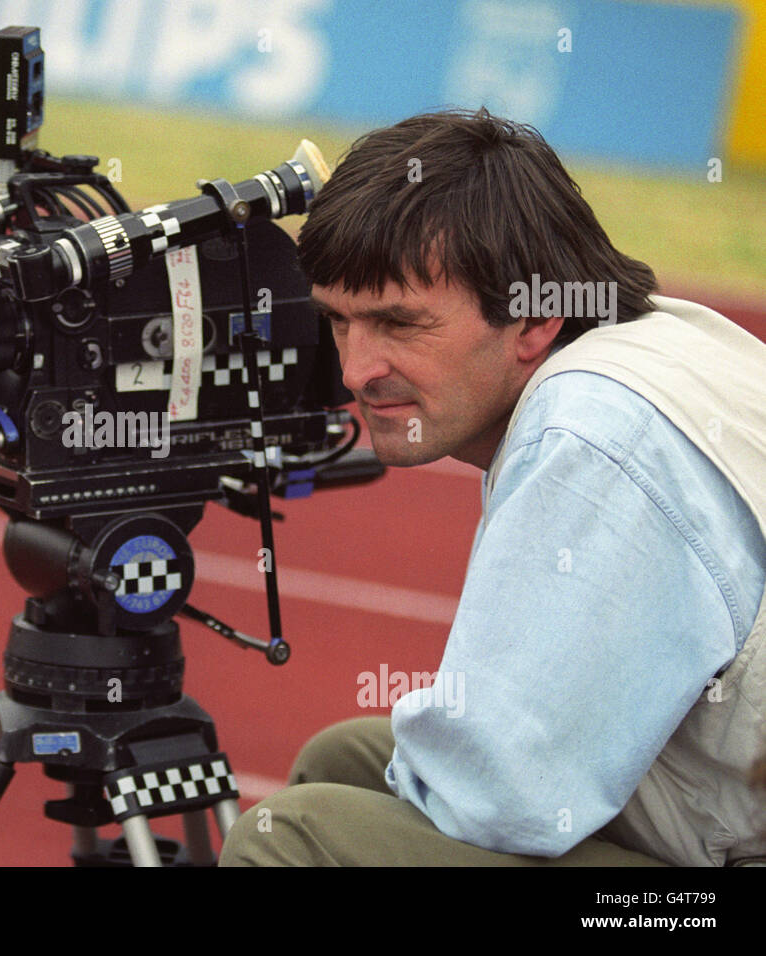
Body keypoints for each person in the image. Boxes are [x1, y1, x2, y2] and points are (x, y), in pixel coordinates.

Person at [219, 108, 766, 867]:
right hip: (734, 800)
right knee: (346, 761)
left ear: (534, 317)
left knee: (291, 841)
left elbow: (501, 794)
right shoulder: (663, 339)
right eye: (339, 321)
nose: (355, 370)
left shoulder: (590, 434)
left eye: (399, 324)